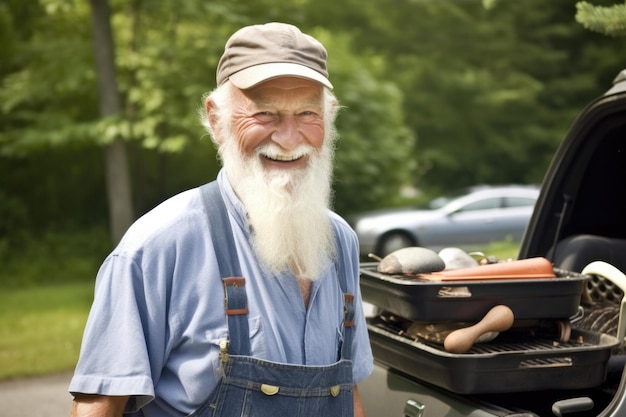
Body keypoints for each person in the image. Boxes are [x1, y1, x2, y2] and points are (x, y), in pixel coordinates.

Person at [68, 22, 373, 417]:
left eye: (307, 113)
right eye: (265, 113)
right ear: (217, 120)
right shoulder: (160, 245)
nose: (288, 136)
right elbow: (97, 409)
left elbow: (348, 396)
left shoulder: (339, 241)